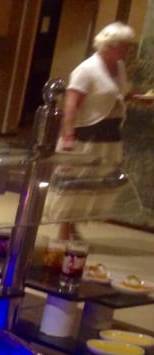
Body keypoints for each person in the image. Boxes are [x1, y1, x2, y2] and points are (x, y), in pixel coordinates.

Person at [45, 21, 136, 242]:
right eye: (123, 45)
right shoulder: (86, 70)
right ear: (110, 45)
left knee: (94, 182)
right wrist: (68, 138)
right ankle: (64, 230)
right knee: (75, 182)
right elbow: (71, 106)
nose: (126, 50)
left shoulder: (119, 67)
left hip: (109, 134)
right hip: (86, 135)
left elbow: (116, 95)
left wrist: (133, 98)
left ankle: (74, 225)